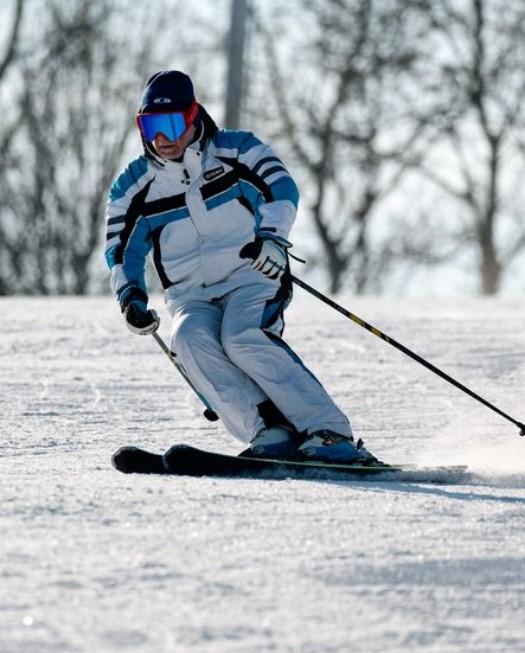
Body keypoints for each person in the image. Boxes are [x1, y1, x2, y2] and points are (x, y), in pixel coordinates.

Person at [104, 70, 375, 463]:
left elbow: (280, 187)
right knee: (189, 339)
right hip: (189, 293)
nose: (161, 138)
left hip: (253, 275)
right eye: (149, 126)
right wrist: (129, 297)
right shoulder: (133, 187)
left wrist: (273, 239)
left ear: (193, 114)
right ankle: (269, 431)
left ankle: (330, 433)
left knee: (243, 336)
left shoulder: (237, 150)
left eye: (171, 123)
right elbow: (119, 248)